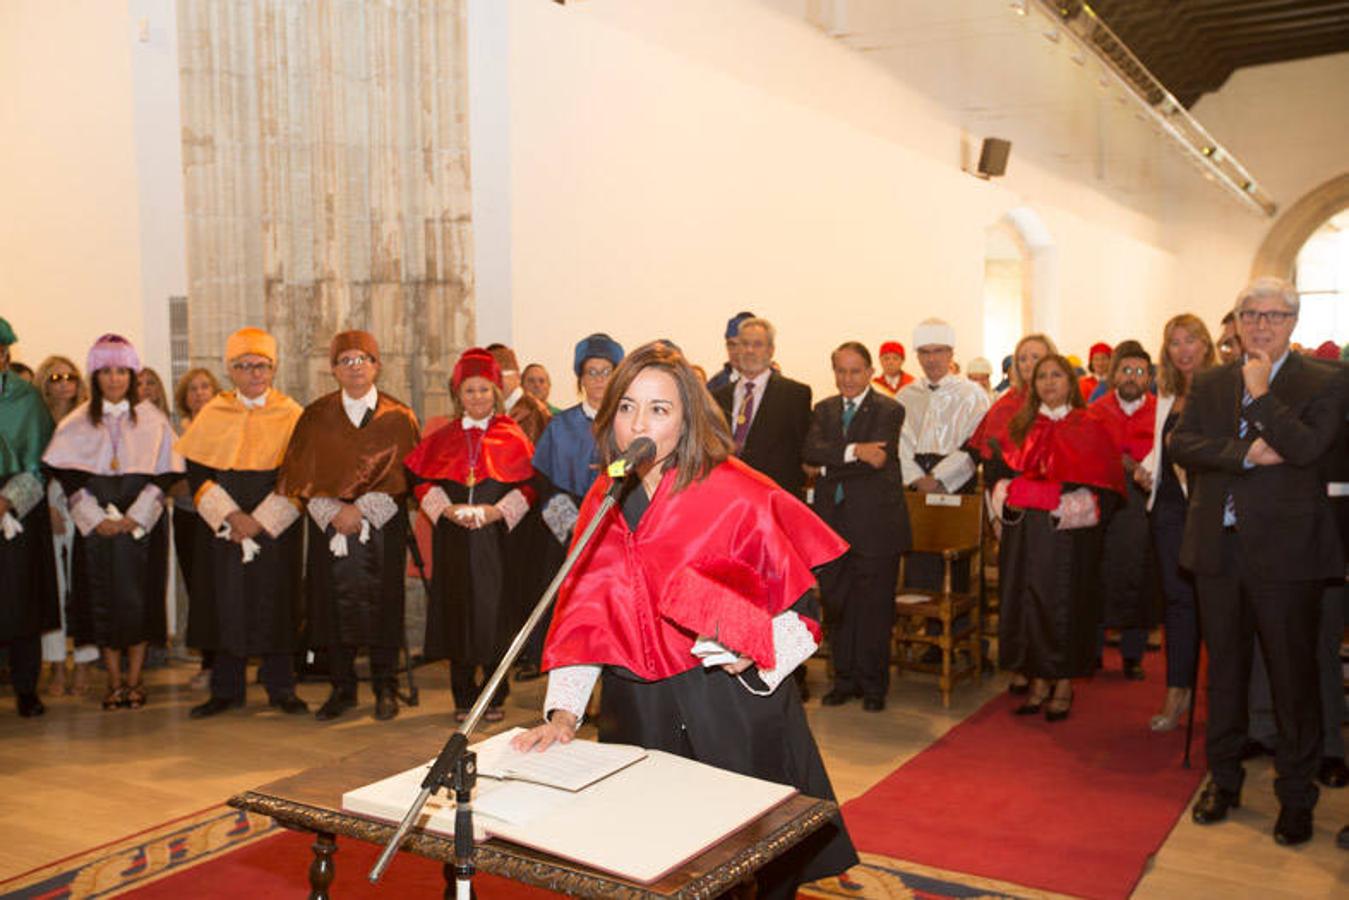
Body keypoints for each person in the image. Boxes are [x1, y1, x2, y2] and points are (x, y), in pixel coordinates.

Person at [512, 340, 858, 898]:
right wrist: (563, 716)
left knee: (748, 867)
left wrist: (757, 649)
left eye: (658, 408)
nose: (637, 422)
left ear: (687, 418)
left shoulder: (737, 491)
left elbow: (807, 611)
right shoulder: (604, 494)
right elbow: (586, 616)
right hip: (637, 708)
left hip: (728, 702)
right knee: (654, 862)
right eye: (626, 407)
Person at [1173, 277, 1345, 847]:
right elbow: (1182, 443)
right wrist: (1243, 453)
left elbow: (1305, 449)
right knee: (1225, 676)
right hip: (1218, 552)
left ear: (1294, 323)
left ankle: (1296, 797)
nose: (1261, 324)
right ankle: (1223, 783)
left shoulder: (1324, 379)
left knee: (1293, 682)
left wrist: (1263, 395)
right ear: (1239, 320)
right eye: (1251, 314)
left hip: (1286, 559)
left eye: (1274, 315)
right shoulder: (1212, 381)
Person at [278, 330, 421, 722]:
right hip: (330, 528)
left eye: (363, 359)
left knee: (384, 604)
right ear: (334, 369)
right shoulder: (315, 416)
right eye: (346, 361)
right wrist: (334, 513)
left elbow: (406, 477)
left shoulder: (399, 416)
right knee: (330, 605)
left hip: (381, 525)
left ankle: (384, 685)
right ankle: (342, 688)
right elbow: (301, 476)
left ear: (377, 365)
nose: (355, 367)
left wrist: (361, 511)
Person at [42, 334, 182, 711]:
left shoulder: (153, 419)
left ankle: (135, 680)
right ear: (96, 375)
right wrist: (92, 516)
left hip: (142, 525)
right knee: (101, 600)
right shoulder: (76, 422)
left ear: (132, 375)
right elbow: (66, 475)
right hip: (97, 527)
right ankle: (113, 682)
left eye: (122, 371)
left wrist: (138, 514)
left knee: (139, 600)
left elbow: (166, 474)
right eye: (107, 372)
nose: (115, 379)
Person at [176, 328, 309, 718]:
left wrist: (262, 520)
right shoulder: (213, 413)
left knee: (277, 601)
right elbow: (197, 472)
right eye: (245, 366)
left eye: (261, 366)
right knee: (225, 602)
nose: (254, 373)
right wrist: (231, 516)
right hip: (225, 525)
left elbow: (300, 473)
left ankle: (281, 687)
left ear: (273, 368)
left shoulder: (292, 413)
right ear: (231, 370)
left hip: (275, 524)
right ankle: (226, 688)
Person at [987, 354, 1125, 722]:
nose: (1048, 382)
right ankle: (1036, 681)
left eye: (1057, 375)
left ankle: (1063, 682)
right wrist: (1013, 493)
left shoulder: (1091, 424)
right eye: (1042, 377)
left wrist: (1061, 503)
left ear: (1070, 382)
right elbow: (998, 474)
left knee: (1064, 605)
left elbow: (1107, 490)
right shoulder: (1021, 425)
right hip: (1025, 534)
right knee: (1026, 602)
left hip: (1068, 537)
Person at [404, 348, 536, 723]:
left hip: (496, 541)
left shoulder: (512, 435)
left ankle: (495, 693)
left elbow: (529, 487)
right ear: (458, 395)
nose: (477, 397)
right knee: (457, 610)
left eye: (483, 390)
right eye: (469, 391)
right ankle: (462, 694)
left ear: (495, 392)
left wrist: (496, 512)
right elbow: (418, 481)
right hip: (454, 539)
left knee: (496, 613)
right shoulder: (443, 435)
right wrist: (446, 510)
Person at [805, 342, 910, 711]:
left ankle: (873, 685)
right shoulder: (823, 409)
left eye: (855, 371)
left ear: (869, 372)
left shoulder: (889, 409)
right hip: (832, 528)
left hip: (875, 526)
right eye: (841, 371)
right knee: (838, 605)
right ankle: (844, 679)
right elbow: (808, 452)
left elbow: (877, 459)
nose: (847, 379)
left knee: (874, 609)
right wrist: (852, 452)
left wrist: (828, 464)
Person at [516, 333, 624, 681]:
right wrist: (573, 528)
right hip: (566, 527)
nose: (598, 380)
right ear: (580, 378)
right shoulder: (560, 425)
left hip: (617, 525)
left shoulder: (628, 422)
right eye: (591, 372)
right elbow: (544, 480)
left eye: (605, 372)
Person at [1133, 315, 1215, 732]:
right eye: (1174, 343)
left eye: (1190, 341)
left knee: (1214, 604)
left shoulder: (1223, 385)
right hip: (1166, 506)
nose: (1182, 350)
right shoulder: (1167, 390)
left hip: (1206, 507)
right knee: (1178, 601)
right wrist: (1149, 467)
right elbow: (1160, 443)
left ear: (1205, 344)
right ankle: (1177, 690)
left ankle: (1219, 696)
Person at [968, 333, 1059, 694]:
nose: (1029, 364)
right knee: (1015, 589)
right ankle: (1020, 664)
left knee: (1048, 591)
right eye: (1022, 358)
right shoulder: (1006, 405)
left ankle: (1049, 667)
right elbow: (990, 463)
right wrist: (994, 513)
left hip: (1051, 512)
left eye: (1036, 357)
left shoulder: (1060, 405)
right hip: (1012, 511)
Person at [1088, 340, 1157, 681]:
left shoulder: (1161, 411)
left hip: (1145, 503)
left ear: (1149, 377)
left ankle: (1133, 654)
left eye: (1139, 372)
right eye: (1126, 370)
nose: (1132, 377)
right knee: (1100, 574)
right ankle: (1094, 651)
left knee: (1140, 577)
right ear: (1114, 374)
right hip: (1107, 503)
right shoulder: (1096, 410)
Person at [0, 319, 59, 717]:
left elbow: (41, 461)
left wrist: (6, 501)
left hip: (17, 506)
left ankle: (26, 689)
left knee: (20, 598)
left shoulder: (27, 399)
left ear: (5, 355)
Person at [34, 355, 97, 695]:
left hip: (84, 504)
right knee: (51, 588)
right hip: (46, 505)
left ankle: (85, 663)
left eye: (70, 376)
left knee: (84, 585)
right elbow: (31, 466)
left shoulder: (89, 418)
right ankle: (57, 665)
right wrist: (46, 506)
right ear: (45, 382)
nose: (63, 383)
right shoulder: (37, 420)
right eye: (55, 377)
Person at [712, 317, 812, 501]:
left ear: (771, 350)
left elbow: (804, 451)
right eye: (744, 344)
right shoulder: (718, 397)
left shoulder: (795, 395)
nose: (749, 350)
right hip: (727, 498)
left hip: (774, 500)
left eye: (757, 344)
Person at [897, 319, 990, 496]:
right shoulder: (905, 396)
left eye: (938, 351)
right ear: (917, 356)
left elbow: (975, 444)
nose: (931, 359)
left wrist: (939, 479)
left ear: (950, 353)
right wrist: (916, 478)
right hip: (914, 487)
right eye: (924, 352)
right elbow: (898, 443)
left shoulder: (973, 395)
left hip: (957, 484)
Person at [170, 367, 220, 687]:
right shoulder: (176, 432)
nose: (200, 393)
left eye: (205, 387)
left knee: (223, 590)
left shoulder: (227, 428)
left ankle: (228, 662)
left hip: (221, 519)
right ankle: (208, 663)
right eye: (193, 389)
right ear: (184, 399)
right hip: (189, 518)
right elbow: (172, 486)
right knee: (198, 590)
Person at [487, 344, 552, 443]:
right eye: (490, 378)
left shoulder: (532, 409)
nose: (495, 382)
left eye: (501, 375)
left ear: (517, 377)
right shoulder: (493, 409)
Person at [705, 310, 755, 393]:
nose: (736, 351)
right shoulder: (715, 386)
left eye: (742, 344)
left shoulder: (776, 386)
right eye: (731, 345)